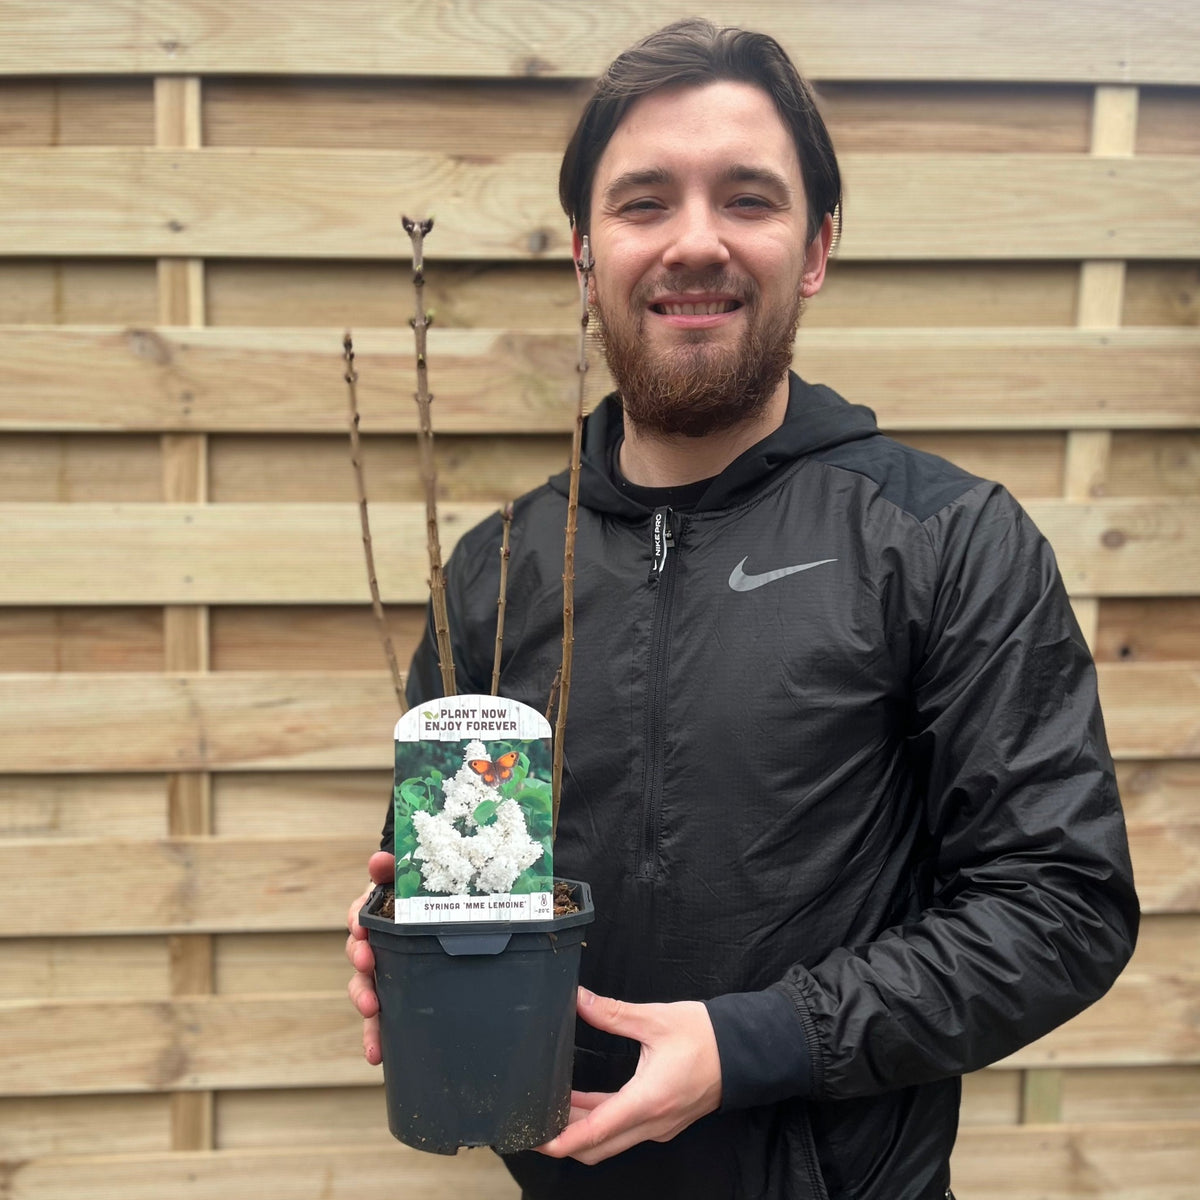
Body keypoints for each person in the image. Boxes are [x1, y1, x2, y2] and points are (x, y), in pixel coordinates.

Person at [347, 19, 1139, 1200]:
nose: (696, 242)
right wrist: (410, 926)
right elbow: (470, 854)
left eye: (749, 199)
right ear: (584, 251)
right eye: (646, 202)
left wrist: (754, 1045)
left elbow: (1061, 907)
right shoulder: (494, 567)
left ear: (815, 248)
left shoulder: (941, 539)